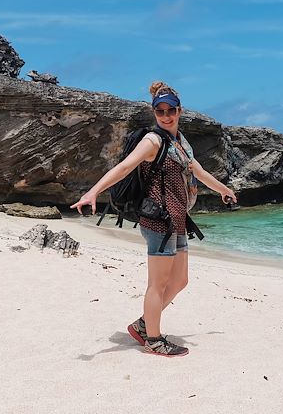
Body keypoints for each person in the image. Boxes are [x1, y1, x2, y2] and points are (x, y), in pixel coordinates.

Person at [71, 81, 237, 357]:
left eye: (170, 109)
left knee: (180, 280)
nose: (166, 115)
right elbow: (124, 167)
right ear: (154, 113)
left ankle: (144, 324)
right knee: (157, 284)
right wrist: (93, 192)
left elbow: (197, 169)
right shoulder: (153, 141)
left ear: (179, 110)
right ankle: (154, 339)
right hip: (159, 220)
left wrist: (223, 189)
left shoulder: (180, 142)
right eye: (160, 111)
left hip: (178, 218)